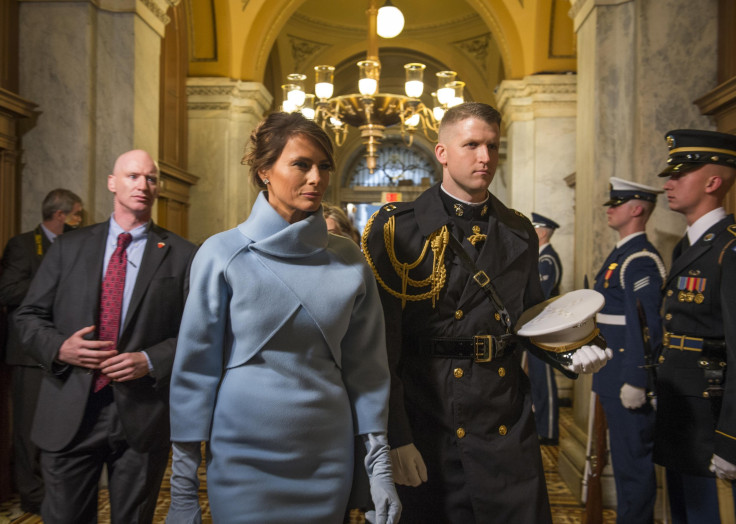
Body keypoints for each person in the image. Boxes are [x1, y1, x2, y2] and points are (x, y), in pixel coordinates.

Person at [362, 102, 611, 523]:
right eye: (472, 145)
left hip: (503, 417)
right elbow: (381, 346)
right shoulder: (397, 228)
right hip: (430, 417)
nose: (485, 158)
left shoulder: (517, 230)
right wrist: (395, 437)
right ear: (442, 153)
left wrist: (572, 347)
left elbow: (532, 319)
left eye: (493, 147)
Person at [166, 112, 400, 524]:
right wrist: (183, 489)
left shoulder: (348, 258)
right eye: (302, 164)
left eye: (324, 166)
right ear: (264, 171)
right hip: (243, 456)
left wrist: (379, 468)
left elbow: (368, 372)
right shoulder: (221, 254)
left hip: (326, 455)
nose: (316, 178)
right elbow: (194, 375)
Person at [14, 150, 197, 524]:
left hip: (142, 413)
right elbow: (28, 315)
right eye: (132, 176)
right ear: (112, 183)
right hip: (69, 410)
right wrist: (60, 347)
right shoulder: (69, 247)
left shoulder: (183, 255)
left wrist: (149, 360)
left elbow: (198, 334)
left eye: (150, 178)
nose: (142, 185)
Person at [654, 129, 736, 523]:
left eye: (679, 175)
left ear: (713, 182)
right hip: (681, 409)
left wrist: (731, 440)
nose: (668, 184)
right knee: (683, 512)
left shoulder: (728, 249)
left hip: (711, 414)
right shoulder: (687, 246)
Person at [0, 188, 83, 515]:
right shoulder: (23, 245)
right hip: (29, 355)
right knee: (27, 433)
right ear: (60, 215)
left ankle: (55, 492)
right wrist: (47, 283)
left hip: (66, 351)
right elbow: (6, 289)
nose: (80, 221)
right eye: (77, 214)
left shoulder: (75, 244)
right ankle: (32, 497)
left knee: (61, 429)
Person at [592, 177, 664, 524]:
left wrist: (638, 377)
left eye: (617, 204)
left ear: (636, 209)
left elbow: (645, 324)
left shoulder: (640, 259)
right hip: (612, 376)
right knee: (622, 463)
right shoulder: (621, 254)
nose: (611, 210)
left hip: (626, 380)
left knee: (633, 466)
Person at [528, 212, 562, 445]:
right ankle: (540, 425)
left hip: (545, 327)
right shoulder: (539, 257)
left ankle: (549, 430)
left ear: (541, 233)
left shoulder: (547, 260)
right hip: (535, 326)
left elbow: (542, 294)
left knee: (545, 380)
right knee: (536, 380)